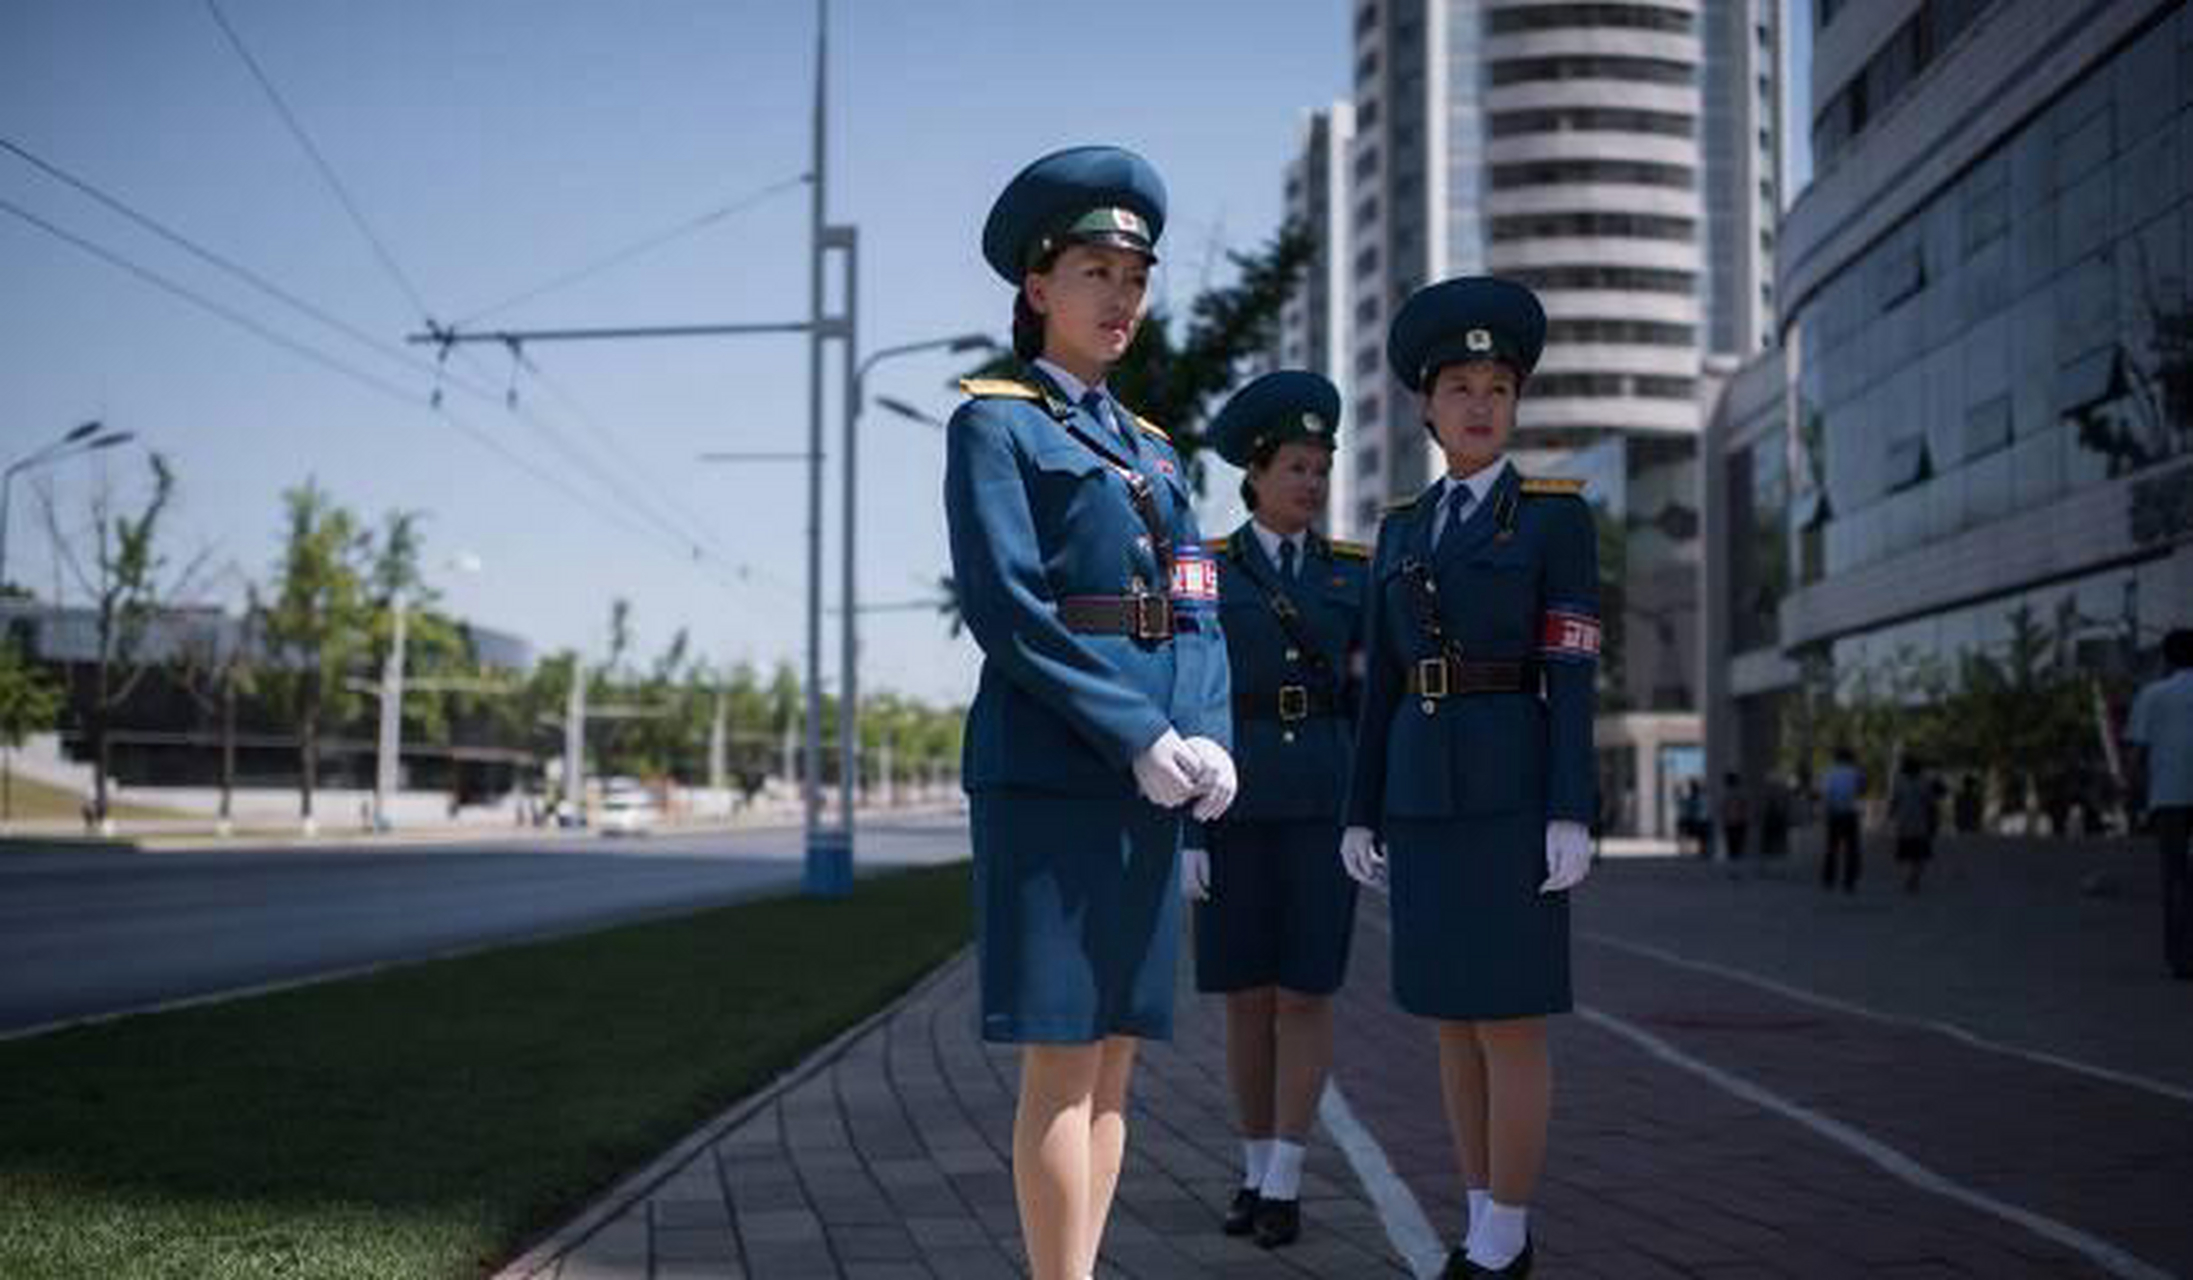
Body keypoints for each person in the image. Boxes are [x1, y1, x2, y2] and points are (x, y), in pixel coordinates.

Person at [944, 144, 1239, 1280]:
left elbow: (1200, 608)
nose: (1120, 297)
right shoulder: (995, 425)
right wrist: (1140, 732)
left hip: (1155, 777)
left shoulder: (1156, 453)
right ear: (1036, 287)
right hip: (1057, 774)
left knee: (1117, 1061)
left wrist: (1208, 731)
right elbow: (1009, 611)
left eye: (1137, 276)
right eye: (1095, 272)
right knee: (1063, 1060)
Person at [1338, 275, 1598, 1278]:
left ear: (1517, 401)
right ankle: (1485, 1215)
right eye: (1460, 386)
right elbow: (1380, 682)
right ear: (1425, 406)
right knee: (1450, 1018)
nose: (1480, 403)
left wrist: (1571, 807)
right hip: (1418, 793)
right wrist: (1360, 809)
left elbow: (1573, 667)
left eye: (1498, 384)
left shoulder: (1554, 520)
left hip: (1512, 790)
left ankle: (1505, 1234)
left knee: (1510, 1019)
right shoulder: (1400, 531)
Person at [1182, 370, 1369, 1250]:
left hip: (1323, 805)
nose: (1311, 482)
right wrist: (1187, 828)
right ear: (1253, 475)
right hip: (1232, 804)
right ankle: (1252, 1171)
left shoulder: (1352, 578)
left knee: (1305, 994)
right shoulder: (1207, 573)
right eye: (1295, 466)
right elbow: (1188, 697)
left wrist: (1373, 813)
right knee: (1245, 1001)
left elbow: (1376, 702)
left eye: (1319, 467)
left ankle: (1287, 1182)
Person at [2126, 628, 2193, 980]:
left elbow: (2136, 754)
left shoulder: (2152, 694)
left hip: (2169, 798)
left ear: (2166, 658)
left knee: (2176, 878)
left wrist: (2133, 794)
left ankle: (2181, 959)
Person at [1890, 754, 1939, 893]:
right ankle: (1914, 877)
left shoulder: (1899, 782)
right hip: (1920, 825)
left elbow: (1894, 801)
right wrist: (1934, 821)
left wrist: (1891, 816)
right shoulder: (1924, 783)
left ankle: (1909, 878)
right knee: (1921, 856)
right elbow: (1931, 805)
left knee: (1905, 855)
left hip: (1904, 824)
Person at [1820, 745, 1865, 893]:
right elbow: (1860, 790)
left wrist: (1826, 811)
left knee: (1832, 847)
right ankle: (1849, 881)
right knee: (1851, 849)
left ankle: (1829, 878)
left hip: (1834, 812)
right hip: (1850, 813)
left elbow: (1826, 794)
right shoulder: (1856, 772)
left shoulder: (1829, 773)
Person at [1718, 770, 1750, 863]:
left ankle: (1733, 868)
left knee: (1732, 848)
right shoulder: (1742, 793)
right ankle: (1737, 867)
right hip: (1740, 823)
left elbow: (1722, 809)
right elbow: (1745, 807)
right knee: (1739, 848)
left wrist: (1723, 820)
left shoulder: (1726, 794)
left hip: (1731, 823)